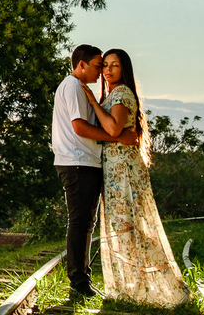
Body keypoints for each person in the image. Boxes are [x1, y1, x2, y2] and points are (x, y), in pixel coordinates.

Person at [82, 48, 191, 306]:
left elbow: (112, 128)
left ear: (124, 70)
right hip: (114, 170)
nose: (107, 70)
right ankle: (132, 290)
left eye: (114, 65)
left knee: (130, 228)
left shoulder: (121, 93)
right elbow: (117, 133)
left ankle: (155, 287)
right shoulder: (112, 94)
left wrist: (93, 103)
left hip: (124, 172)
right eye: (105, 65)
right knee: (123, 230)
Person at [52, 44, 138, 299]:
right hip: (78, 162)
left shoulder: (80, 88)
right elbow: (80, 128)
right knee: (81, 222)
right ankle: (79, 282)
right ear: (81, 65)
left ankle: (81, 280)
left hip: (83, 161)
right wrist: (119, 138)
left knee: (85, 222)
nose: (101, 71)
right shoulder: (74, 87)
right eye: (98, 65)